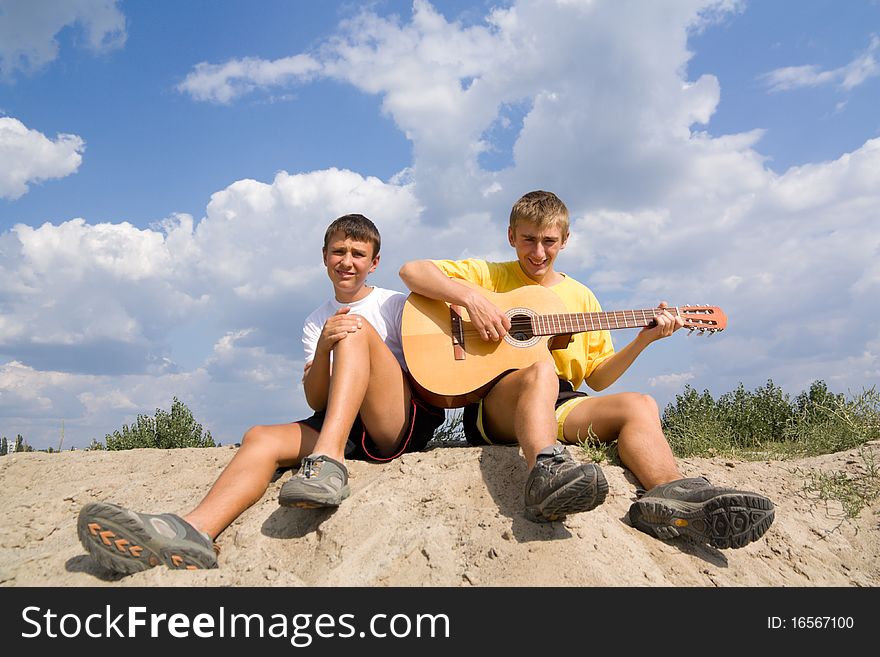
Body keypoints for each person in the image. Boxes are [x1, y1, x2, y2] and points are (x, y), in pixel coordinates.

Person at [399, 190, 774, 549]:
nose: (538, 251)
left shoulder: (582, 298)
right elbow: (412, 271)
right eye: (528, 240)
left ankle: (671, 495)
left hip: (561, 401)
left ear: (565, 240)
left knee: (640, 404)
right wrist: (470, 299)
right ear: (511, 236)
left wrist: (644, 340)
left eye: (549, 241)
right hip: (498, 403)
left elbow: (597, 377)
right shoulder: (489, 275)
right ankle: (544, 474)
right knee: (540, 372)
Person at [77, 214, 445, 573]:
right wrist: (321, 348)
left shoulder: (393, 305)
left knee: (353, 327)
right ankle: (193, 530)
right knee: (259, 437)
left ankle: (328, 461)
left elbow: (429, 365)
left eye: (358, 254)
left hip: (393, 422)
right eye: (338, 252)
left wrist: (352, 336)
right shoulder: (314, 320)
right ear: (324, 256)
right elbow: (316, 401)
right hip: (342, 424)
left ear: (374, 262)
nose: (347, 262)